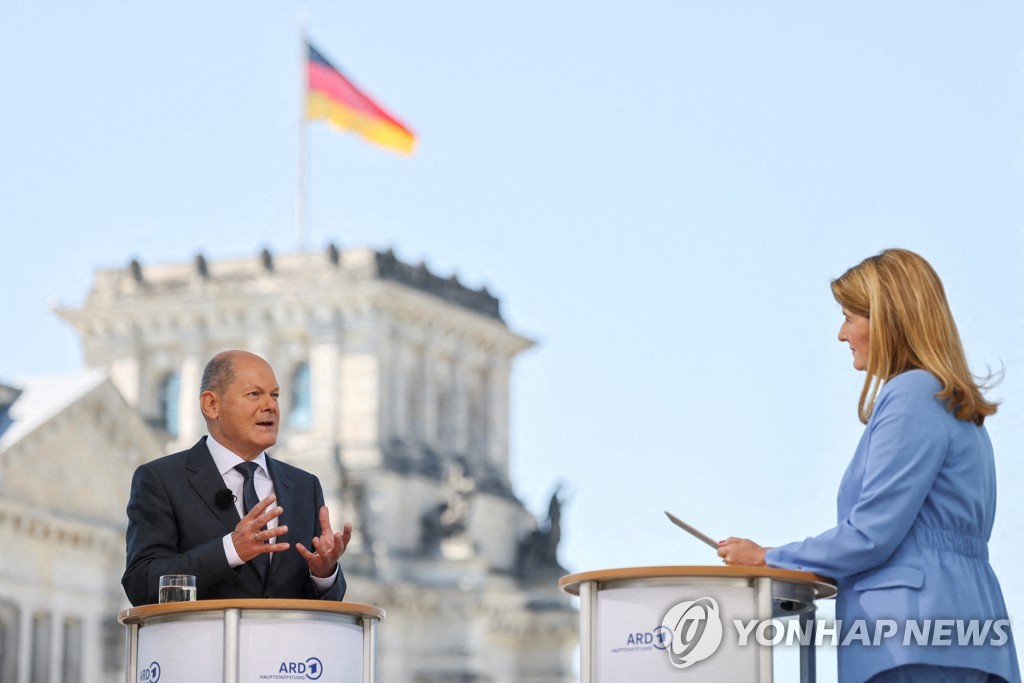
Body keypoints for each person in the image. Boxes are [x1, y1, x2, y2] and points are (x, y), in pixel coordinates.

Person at [718, 249, 1020, 683]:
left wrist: (767, 558)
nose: (842, 335)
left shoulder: (912, 393)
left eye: (849, 317)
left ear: (888, 321)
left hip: (908, 642)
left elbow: (871, 534)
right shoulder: (957, 407)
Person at [122, 350, 351, 605]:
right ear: (211, 404)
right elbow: (142, 583)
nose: (270, 406)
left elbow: (325, 600)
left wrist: (324, 573)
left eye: (274, 395)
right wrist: (230, 550)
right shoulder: (161, 480)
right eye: (254, 394)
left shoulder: (304, 486)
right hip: (201, 643)